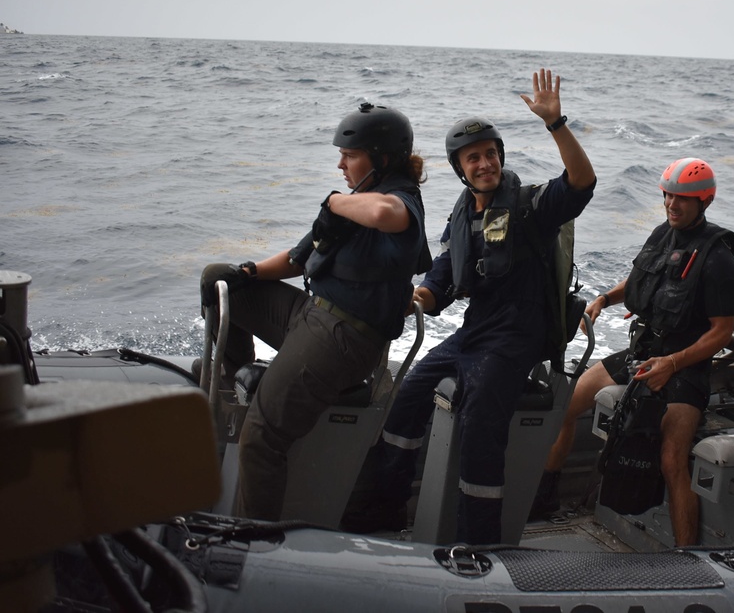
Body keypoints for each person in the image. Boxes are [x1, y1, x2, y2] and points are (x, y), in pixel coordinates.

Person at [348, 69, 596, 544]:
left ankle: (478, 543)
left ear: (500, 157)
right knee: (409, 396)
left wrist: (555, 124)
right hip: (474, 333)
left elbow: (581, 183)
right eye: (473, 158)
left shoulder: (530, 207)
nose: (484, 164)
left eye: (489, 154)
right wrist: (415, 298)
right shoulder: (462, 215)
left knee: (482, 423)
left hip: (518, 335)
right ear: (460, 168)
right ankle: (385, 508)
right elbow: (443, 276)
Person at [199, 103, 431, 521]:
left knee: (261, 437)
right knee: (217, 281)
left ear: (381, 159)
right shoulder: (354, 199)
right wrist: (247, 271)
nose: (340, 163)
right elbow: (299, 257)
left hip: (343, 335)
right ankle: (234, 370)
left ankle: (251, 545)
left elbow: (383, 213)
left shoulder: (401, 200)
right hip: (309, 313)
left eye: (350, 155)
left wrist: (335, 201)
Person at [531, 157, 734, 546]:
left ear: (704, 202)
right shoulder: (663, 233)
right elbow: (641, 278)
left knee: (671, 461)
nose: (671, 205)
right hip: (642, 353)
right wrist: (604, 299)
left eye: (682, 199)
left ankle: (686, 556)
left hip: (684, 368)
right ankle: (544, 500)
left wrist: (673, 363)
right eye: (667, 196)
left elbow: (722, 333)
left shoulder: (718, 260)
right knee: (563, 409)